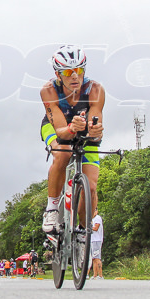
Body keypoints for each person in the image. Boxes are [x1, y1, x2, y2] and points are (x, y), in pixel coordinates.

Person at [39, 45, 105, 238]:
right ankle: (52, 209)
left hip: (82, 127)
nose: (75, 76)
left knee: (91, 187)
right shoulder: (49, 90)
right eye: (68, 72)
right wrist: (70, 128)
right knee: (63, 153)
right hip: (56, 126)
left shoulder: (95, 89)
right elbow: (61, 131)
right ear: (58, 74)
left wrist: (95, 132)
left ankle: (83, 231)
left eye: (79, 71)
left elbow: (96, 123)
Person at [90, 210, 104, 279]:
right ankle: (95, 275)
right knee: (94, 258)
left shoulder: (97, 218)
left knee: (97, 257)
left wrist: (88, 228)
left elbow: (96, 228)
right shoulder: (91, 219)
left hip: (97, 240)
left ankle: (100, 275)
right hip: (92, 240)